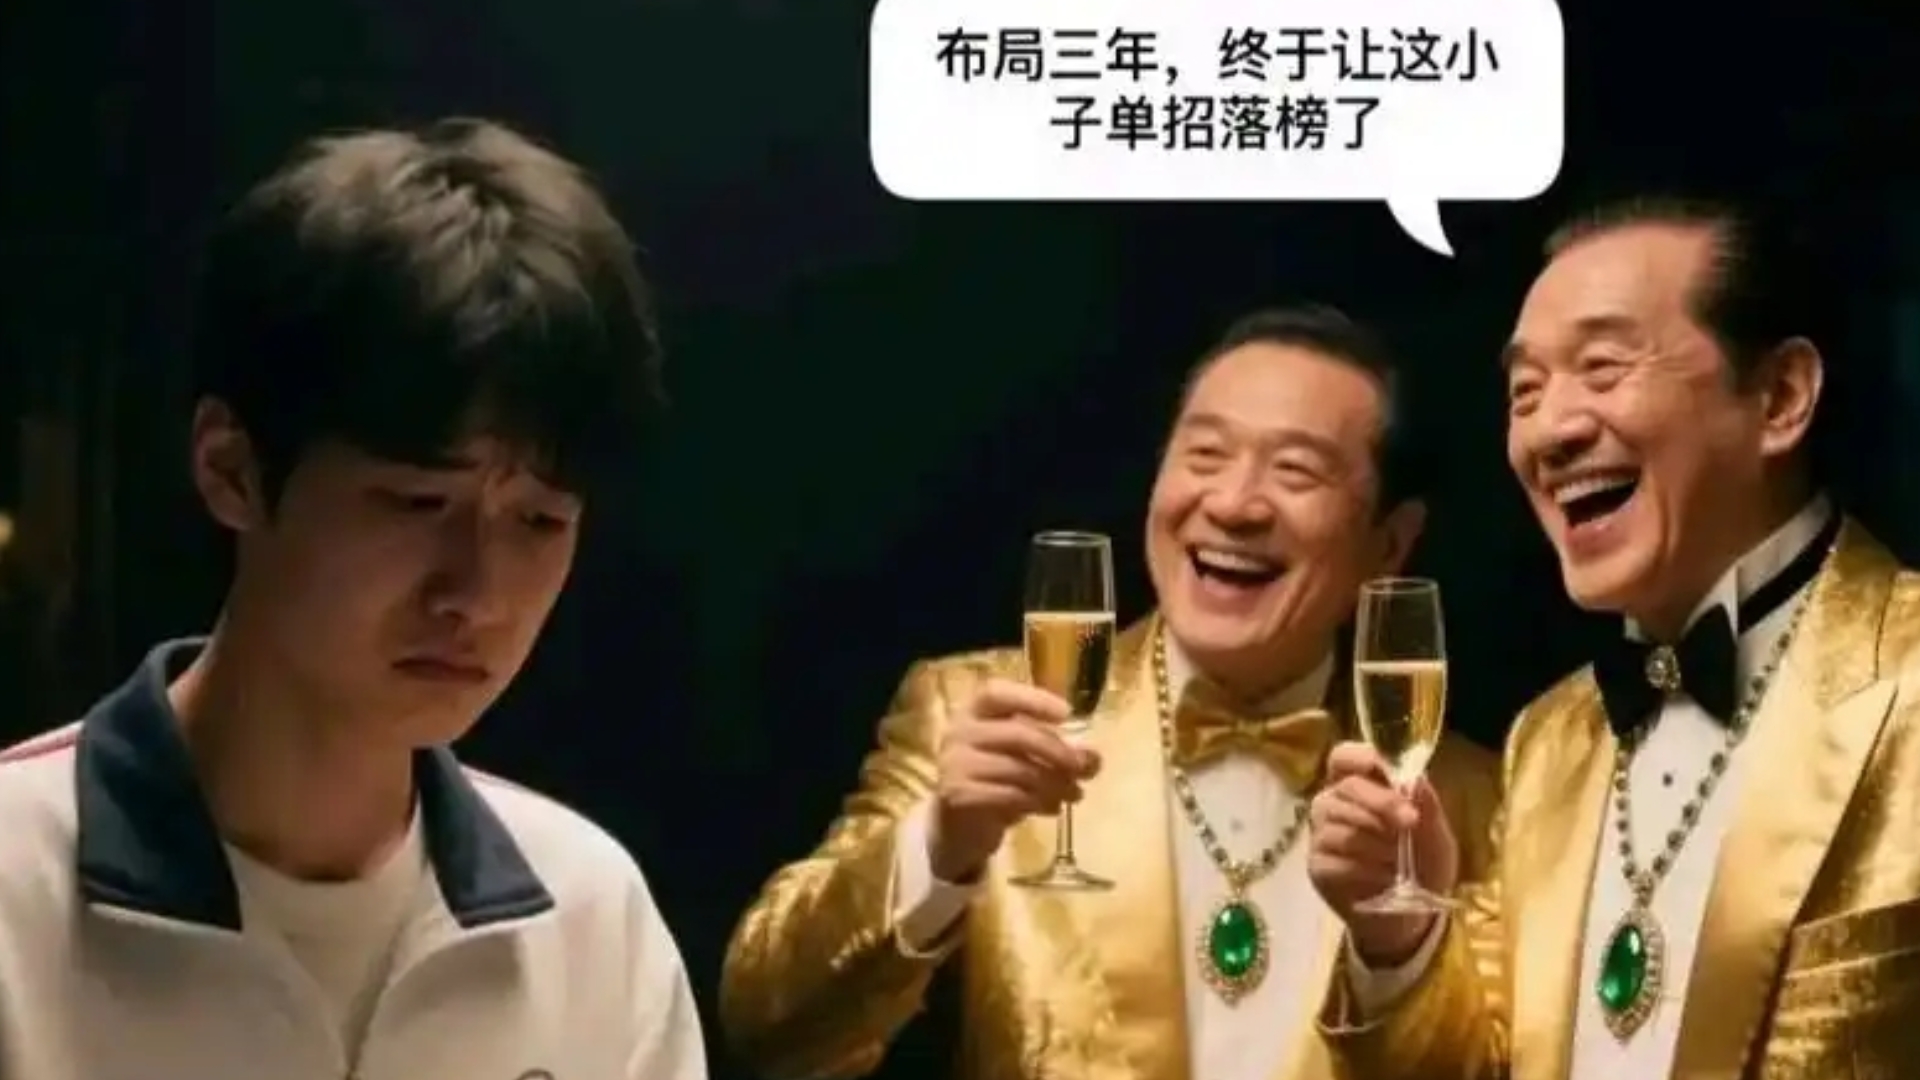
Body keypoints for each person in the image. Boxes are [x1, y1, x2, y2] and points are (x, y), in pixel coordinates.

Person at [0, 119, 706, 1080]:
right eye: (418, 503)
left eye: (540, 521)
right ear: (231, 469)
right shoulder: (19, 884)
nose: (477, 593)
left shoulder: (589, 920)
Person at [720, 304, 1500, 1080]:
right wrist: (939, 849)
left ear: (1389, 544)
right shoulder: (976, 714)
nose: (1233, 504)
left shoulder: (1470, 800)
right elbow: (765, 1028)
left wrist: (1399, 950)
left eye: (1295, 471)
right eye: (1204, 455)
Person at [1308, 195, 1920, 1079]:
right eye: (1525, 392)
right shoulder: (1549, 742)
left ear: (1781, 398)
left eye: (1603, 368)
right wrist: (1398, 937)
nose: (1551, 431)